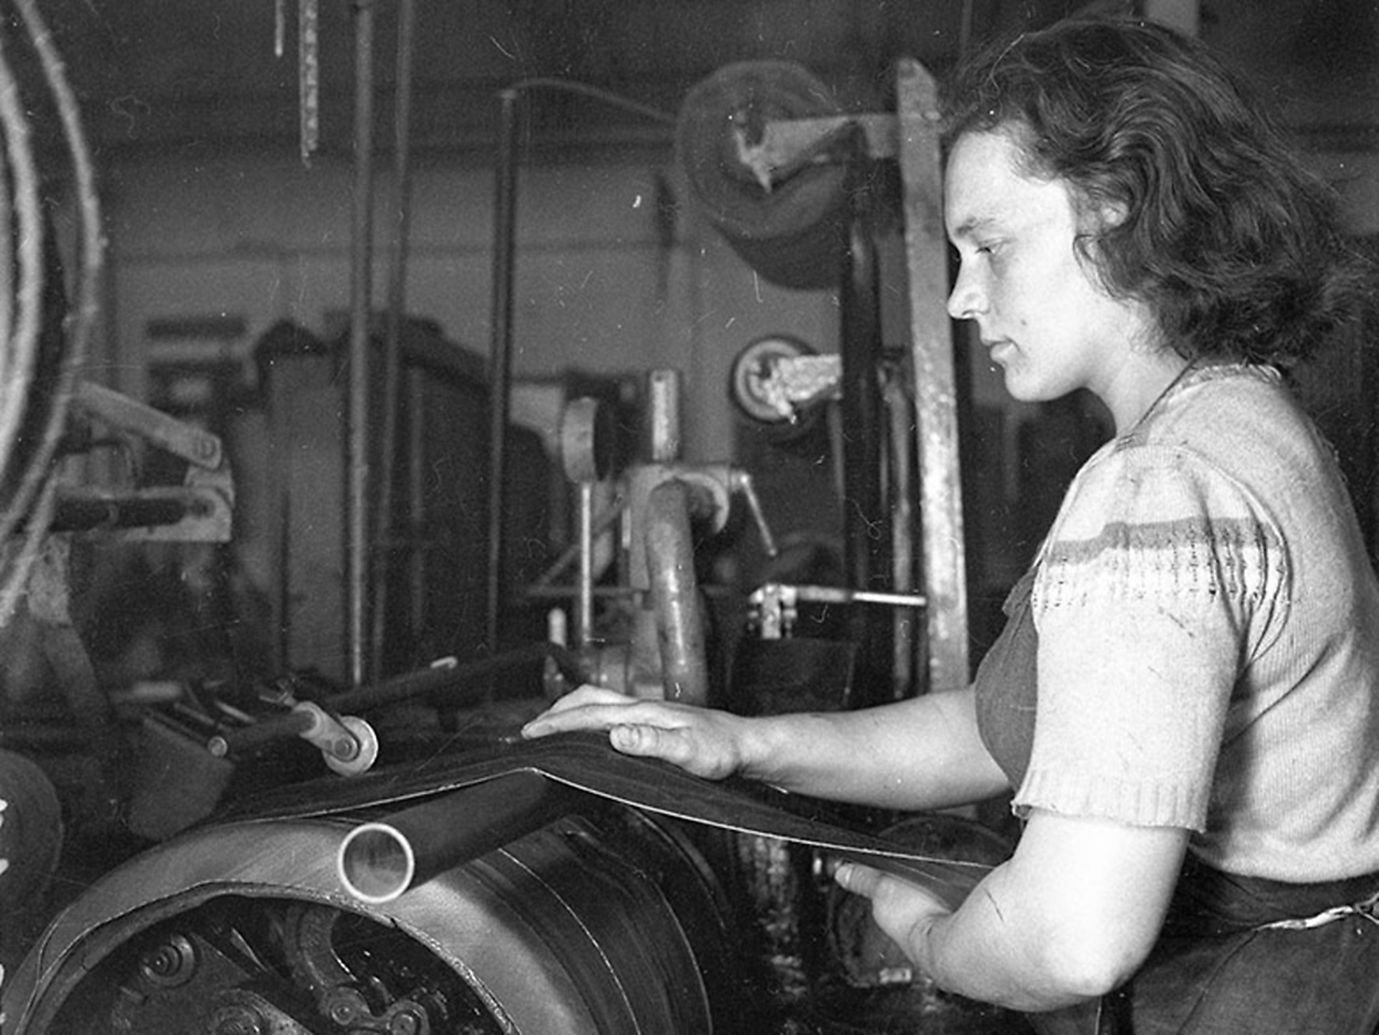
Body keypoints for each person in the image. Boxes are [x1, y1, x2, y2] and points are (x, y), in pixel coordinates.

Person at [523, 16, 1379, 1033]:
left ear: (1114, 209)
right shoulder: (1249, 416)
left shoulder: (1157, 488)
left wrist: (926, 934)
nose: (965, 299)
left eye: (991, 246)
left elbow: (1069, 939)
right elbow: (999, 728)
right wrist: (741, 744)